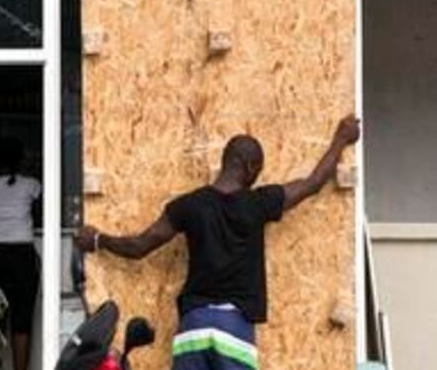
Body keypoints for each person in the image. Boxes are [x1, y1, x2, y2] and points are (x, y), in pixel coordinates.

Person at [76, 115, 361, 370]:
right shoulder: (258, 203)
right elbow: (313, 183)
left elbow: (140, 245)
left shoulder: (188, 206)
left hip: (194, 327)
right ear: (249, 167)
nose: (257, 177)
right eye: (258, 170)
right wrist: (341, 139)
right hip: (233, 327)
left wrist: (98, 239)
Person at [0, 137, 41, 370]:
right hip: (22, 256)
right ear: (21, 160)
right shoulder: (31, 185)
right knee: (22, 322)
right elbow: (41, 210)